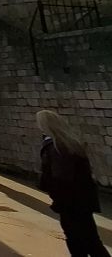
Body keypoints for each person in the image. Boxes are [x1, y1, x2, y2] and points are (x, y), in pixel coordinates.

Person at [36, 110, 110, 257]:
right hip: (83, 200)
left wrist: (56, 197)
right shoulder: (71, 142)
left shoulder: (56, 147)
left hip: (70, 201)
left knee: (76, 239)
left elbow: (60, 177)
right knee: (91, 239)